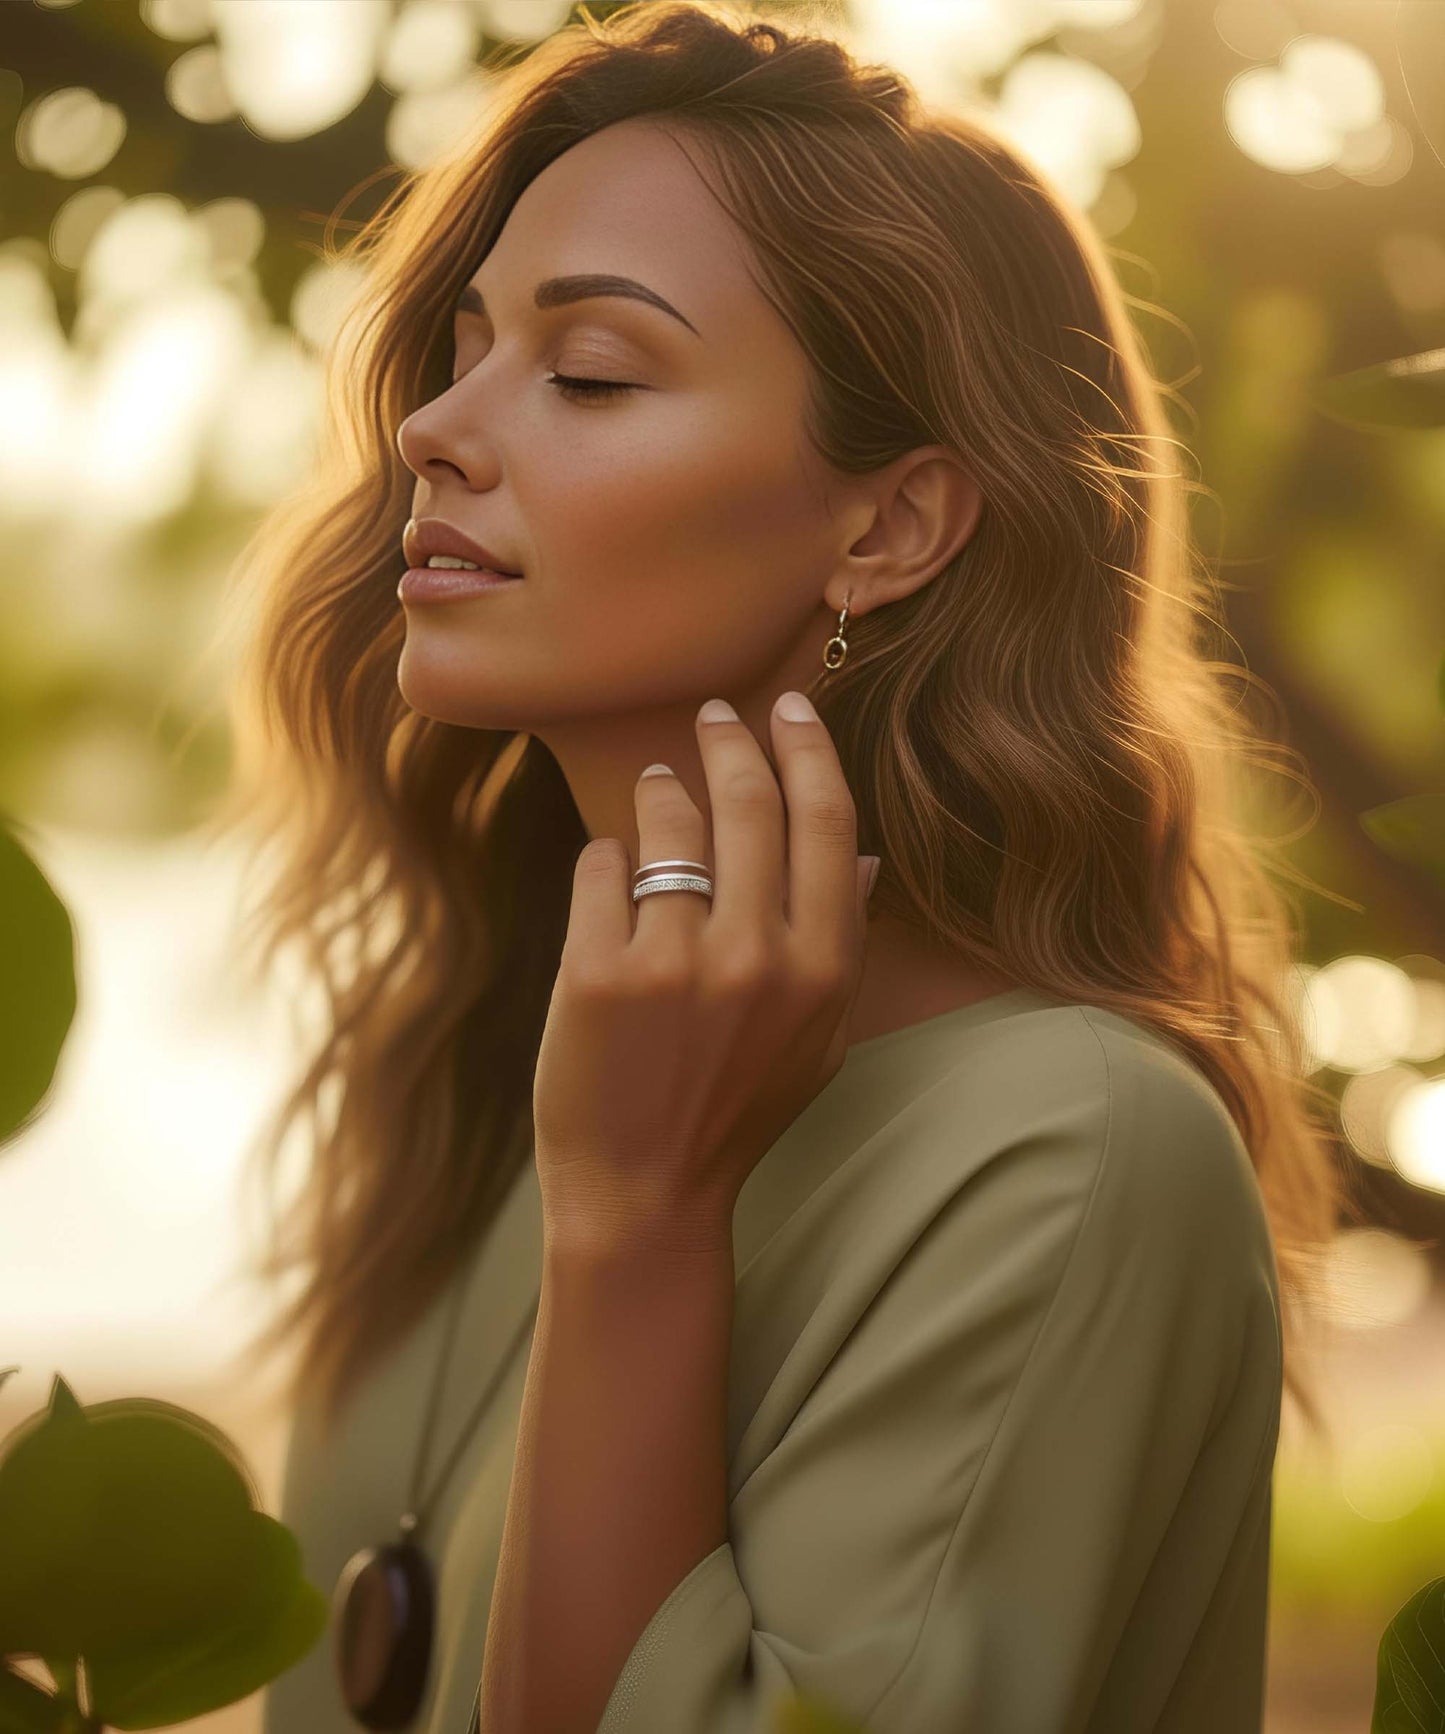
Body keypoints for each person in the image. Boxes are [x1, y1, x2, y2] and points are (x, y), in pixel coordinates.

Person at [211, 4, 1347, 1729]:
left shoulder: (1071, 1154)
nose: (434, 426)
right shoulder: (477, 1074)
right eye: (463, 346)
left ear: (887, 527)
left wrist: (644, 1224)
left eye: (587, 372)